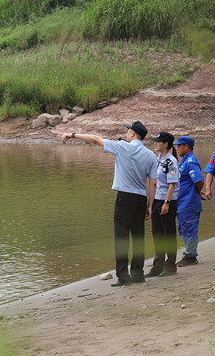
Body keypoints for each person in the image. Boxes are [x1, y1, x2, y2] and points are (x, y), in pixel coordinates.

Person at [60, 122, 158, 286]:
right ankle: (138, 274)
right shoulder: (150, 155)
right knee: (138, 237)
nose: (127, 133)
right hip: (141, 198)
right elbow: (153, 183)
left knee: (121, 237)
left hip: (125, 197)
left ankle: (124, 277)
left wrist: (72, 135)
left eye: (128, 131)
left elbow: (95, 139)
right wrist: (150, 205)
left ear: (133, 134)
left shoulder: (121, 147)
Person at [147, 132, 180, 277]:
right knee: (157, 234)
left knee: (168, 234)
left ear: (166, 144)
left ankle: (171, 265)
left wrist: (166, 203)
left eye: (158, 142)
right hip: (157, 201)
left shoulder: (171, 161)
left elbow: (172, 184)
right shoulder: (158, 159)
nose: (155, 143)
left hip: (168, 201)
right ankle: (158, 265)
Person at [172, 136, 205, 266]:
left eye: (179, 146)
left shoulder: (190, 162)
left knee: (189, 228)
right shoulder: (184, 162)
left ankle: (191, 256)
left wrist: (196, 192)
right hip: (182, 202)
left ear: (186, 147)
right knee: (184, 229)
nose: (177, 148)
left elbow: (199, 180)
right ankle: (189, 253)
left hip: (189, 202)